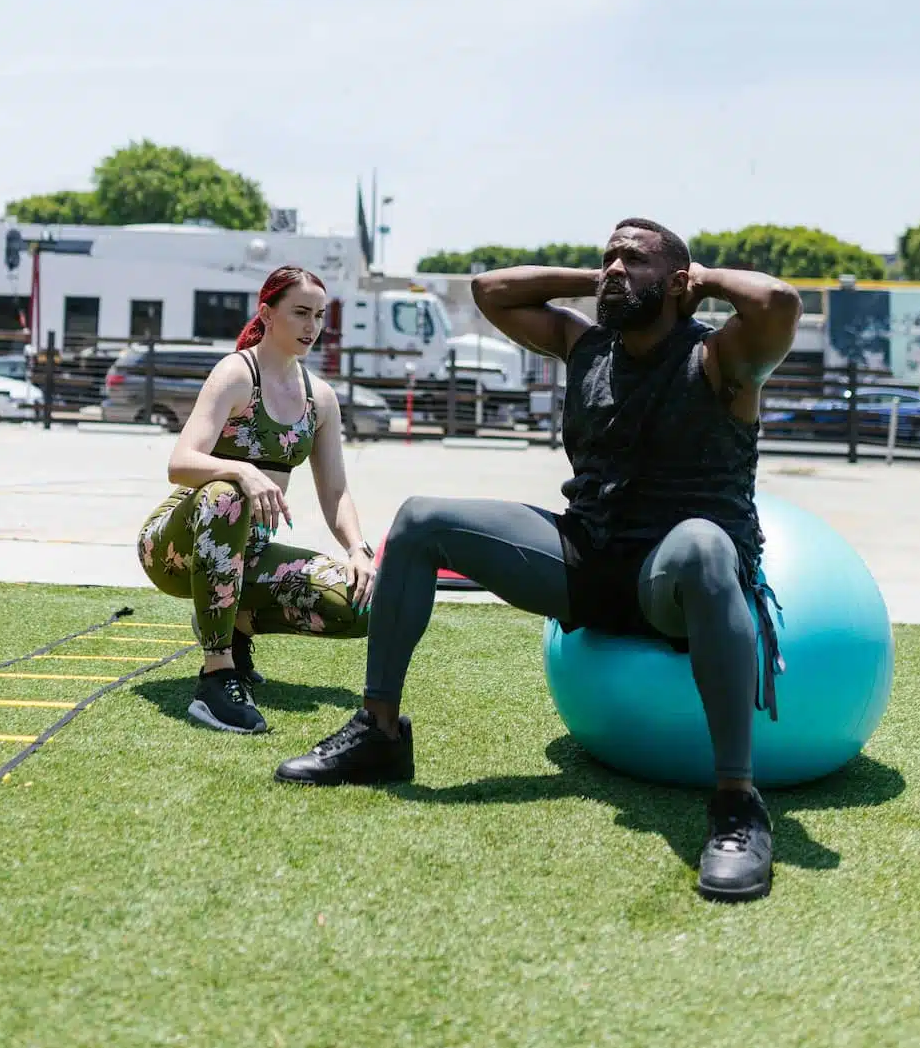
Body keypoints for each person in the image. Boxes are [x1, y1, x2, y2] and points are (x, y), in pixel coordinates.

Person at [274, 220, 802, 903]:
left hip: (674, 579)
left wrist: (701, 279)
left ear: (677, 282)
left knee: (704, 545)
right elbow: (489, 291)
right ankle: (379, 731)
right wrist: (602, 280)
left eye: (632, 260)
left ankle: (736, 803)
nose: (612, 267)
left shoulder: (721, 357)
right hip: (587, 556)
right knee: (418, 520)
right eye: (606, 257)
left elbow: (779, 303)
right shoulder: (587, 344)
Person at [137, 266, 376, 735]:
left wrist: (357, 551)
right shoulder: (236, 373)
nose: (312, 327)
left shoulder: (320, 398)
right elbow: (180, 461)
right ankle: (216, 674)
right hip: (176, 547)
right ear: (267, 314)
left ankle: (238, 623)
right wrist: (242, 471)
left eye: (320, 315)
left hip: (250, 550)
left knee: (364, 602)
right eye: (300, 313)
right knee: (228, 495)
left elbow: (335, 491)